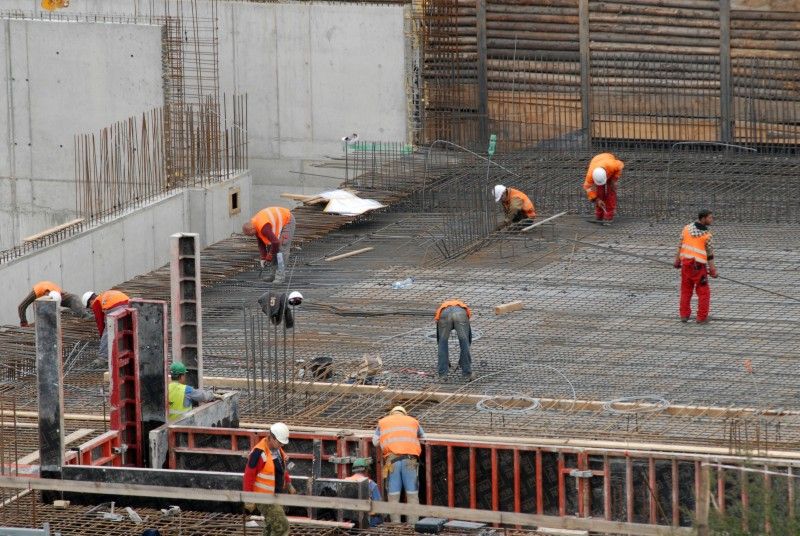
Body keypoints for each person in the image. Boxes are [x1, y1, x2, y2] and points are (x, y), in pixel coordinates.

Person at [372, 406, 425, 524]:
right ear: (404, 414)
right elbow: (423, 438)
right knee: (412, 496)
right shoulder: (413, 421)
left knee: (393, 497)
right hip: (410, 461)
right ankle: (412, 527)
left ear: (392, 413)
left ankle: (396, 527)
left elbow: (375, 441)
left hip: (392, 462)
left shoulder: (382, 422)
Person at [243, 423, 294, 536]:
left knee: (270, 527)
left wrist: (289, 482)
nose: (282, 445)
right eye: (280, 442)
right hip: (264, 498)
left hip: (276, 495)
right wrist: (249, 498)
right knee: (282, 526)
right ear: (272, 437)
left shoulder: (278, 450)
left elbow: (281, 468)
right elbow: (248, 475)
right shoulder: (259, 453)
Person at [674, 210, 718, 324]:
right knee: (704, 292)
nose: (711, 220)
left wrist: (677, 260)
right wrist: (713, 271)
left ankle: (684, 315)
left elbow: (680, 246)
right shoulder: (707, 236)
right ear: (703, 218)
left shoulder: (686, 229)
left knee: (685, 291)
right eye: (710, 218)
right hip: (698, 268)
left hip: (686, 266)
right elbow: (710, 255)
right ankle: (701, 317)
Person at [242, 207, 295, 282]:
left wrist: (269, 256)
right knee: (271, 247)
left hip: (287, 220)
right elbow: (261, 243)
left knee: (282, 249)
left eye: (249, 234)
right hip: (276, 223)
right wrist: (263, 257)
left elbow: (276, 242)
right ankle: (273, 275)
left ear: (252, 229)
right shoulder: (254, 224)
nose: (249, 236)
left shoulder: (263, 227)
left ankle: (280, 276)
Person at [82, 289, 131, 366]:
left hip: (116, 308)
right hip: (129, 305)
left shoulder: (96, 302)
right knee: (124, 329)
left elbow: (100, 322)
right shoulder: (105, 295)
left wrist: (102, 336)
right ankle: (126, 352)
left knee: (108, 332)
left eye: (90, 307)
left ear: (91, 301)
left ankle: (103, 358)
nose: (91, 308)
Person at [18, 281, 86, 327]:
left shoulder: (59, 294)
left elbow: (73, 299)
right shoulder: (36, 293)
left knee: (74, 298)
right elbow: (21, 307)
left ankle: (84, 315)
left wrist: (80, 313)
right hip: (41, 303)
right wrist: (24, 322)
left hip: (54, 295)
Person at [434, 300, 472, 380]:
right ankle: (467, 373)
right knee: (465, 342)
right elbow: (468, 338)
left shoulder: (442, 307)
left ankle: (442, 374)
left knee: (442, 343)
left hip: (444, 314)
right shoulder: (463, 307)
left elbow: (437, 320)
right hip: (460, 314)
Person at [583, 153, 624, 223]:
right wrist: (596, 199)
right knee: (599, 192)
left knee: (611, 191)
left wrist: (614, 180)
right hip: (597, 161)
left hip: (607, 160)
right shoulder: (590, 175)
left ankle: (608, 216)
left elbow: (620, 165)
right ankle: (599, 216)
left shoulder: (612, 165)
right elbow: (588, 188)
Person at [344, 458, 383, 527]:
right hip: (368, 523)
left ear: (353, 470)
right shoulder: (371, 484)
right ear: (366, 470)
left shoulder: (345, 482)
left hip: (349, 522)